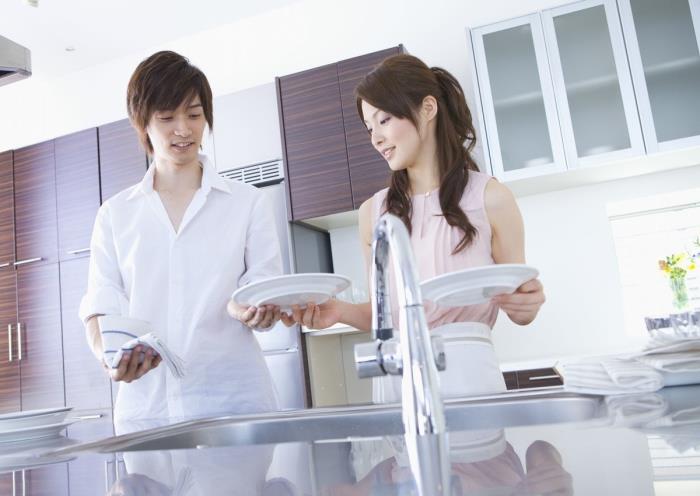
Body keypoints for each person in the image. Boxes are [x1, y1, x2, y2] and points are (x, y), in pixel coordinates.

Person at [282, 54, 545, 398]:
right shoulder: (373, 213)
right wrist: (339, 311)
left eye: (384, 120)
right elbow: (384, 315)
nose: (375, 138)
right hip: (396, 377)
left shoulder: (491, 197)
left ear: (428, 108)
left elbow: (520, 303)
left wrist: (527, 304)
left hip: (469, 373)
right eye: (369, 127)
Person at [79, 51, 285, 421]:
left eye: (194, 115)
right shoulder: (115, 214)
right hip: (147, 408)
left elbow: (263, 287)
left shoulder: (248, 203)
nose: (184, 129)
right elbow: (100, 303)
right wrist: (108, 358)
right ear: (142, 122)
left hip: (235, 402)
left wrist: (259, 311)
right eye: (166, 117)